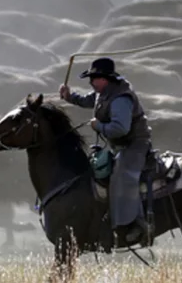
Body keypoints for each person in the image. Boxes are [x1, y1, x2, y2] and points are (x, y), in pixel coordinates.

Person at [59, 57, 154, 245]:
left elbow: (121, 128)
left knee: (122, 176)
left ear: (104, 78)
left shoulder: (120, 98)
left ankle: (135, 225)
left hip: (134, 145)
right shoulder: (104, 93)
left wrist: (99, 126)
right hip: (119, 146)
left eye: (94, 78)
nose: (91, 82)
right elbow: (88, 100)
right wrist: (69, 96)